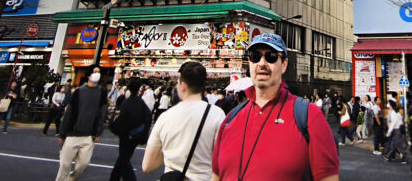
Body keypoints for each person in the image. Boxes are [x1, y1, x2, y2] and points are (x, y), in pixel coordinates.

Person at [212, 33, 339, 180]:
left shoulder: (309, 115)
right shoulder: (230, 119)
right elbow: (216, 176)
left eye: (271, 57)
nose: (262, 63)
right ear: (250, 63)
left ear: (284, 65)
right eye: (256, 56)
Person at [142, 62, 223, 180]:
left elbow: (147, 166)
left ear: (183, 85)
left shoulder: (165, 117)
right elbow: (221, 162)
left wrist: (172, 151)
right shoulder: (217, 114)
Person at [55, 67, 107, 181]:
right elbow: (69, 113)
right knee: (64, 165)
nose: (97, 74)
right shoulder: (79, 91)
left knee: (84, 164)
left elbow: (101, 114)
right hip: (73, 133)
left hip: (88, 135)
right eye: (94, 72)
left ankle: (71, 179)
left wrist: (98, 131)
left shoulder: (102, 92)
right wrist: (62, 134)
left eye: (98, 72)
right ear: (88, 75)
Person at [109, 78, 151, 181]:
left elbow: (121, 120)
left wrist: (115, 126)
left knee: (123, 160)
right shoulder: (141, 103)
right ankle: (114, 178)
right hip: (136, 135)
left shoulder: (126, 103)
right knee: (124, 158)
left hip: (126, 135)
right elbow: (148, 116)